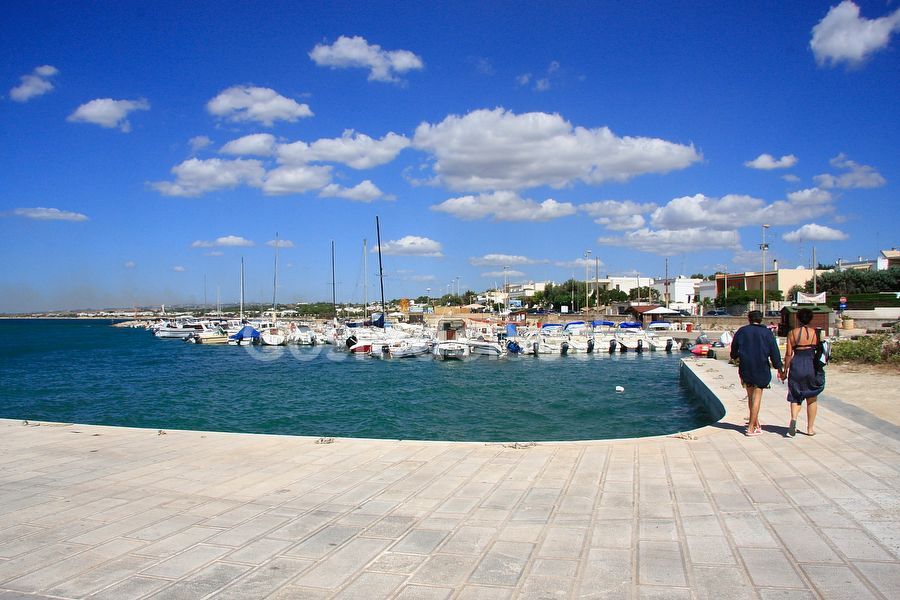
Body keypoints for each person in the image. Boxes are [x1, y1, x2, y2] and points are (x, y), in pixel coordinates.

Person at [730, 310, 784, 436]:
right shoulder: (767, 333)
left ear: (749, 319)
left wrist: (736, 357)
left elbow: (733, 348)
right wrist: (779, 368)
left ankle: (756, 423)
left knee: (750, 396)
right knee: (757, 396)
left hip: (746, 366)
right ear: (761, 319)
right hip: (761, 366)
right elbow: (774, 352)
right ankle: (750, 427)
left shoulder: (742, 331)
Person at [778, 308, 825, 437]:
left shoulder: (792, 333)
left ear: (798, 318)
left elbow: (788, 354)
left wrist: (784, 371)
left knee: (795, 395)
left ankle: (794, 419)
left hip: (797, 364)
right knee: (812, 397)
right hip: (811, 365)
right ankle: (810, 429)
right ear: (810, 319)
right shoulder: (816, 333)